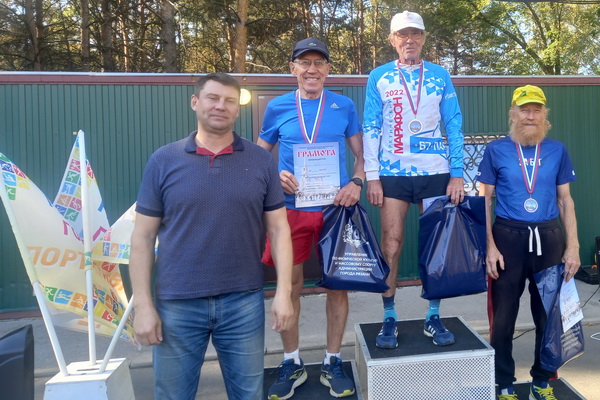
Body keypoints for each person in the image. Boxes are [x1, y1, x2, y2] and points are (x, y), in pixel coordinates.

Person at [129, 73, 294, 400]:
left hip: (243, 301)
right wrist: (143, 307)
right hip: (177, 303)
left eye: (229, 101)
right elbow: (142, 238)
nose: (221, 106)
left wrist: (284, 293)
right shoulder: (164, 160)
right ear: (195, 102)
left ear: (237, 109)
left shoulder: (261, 161)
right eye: (213, 98)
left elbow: (279, 230)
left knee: (248, 395)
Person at [258, 37, 365, 399]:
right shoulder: (276, 107)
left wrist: (356, 182)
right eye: (304, 63)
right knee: (290, 287)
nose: (312, 69)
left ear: (328, 69)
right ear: (293, 69)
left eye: (319, 63)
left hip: (336, 209)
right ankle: (292, 361)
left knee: (338, 285)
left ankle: (333, 360)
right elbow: (259, 157)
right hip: (292, 209)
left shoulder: (344, 105)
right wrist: (275, 175)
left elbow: (362, 157)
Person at [362, 10, 464, 349]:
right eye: (402, 34)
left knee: (436, 246)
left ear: (423, 38)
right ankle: (389, 316)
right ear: (393, 40)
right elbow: (371, 126)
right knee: (391, 244)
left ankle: (433, 315)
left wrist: (457, 173)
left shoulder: (440, 75)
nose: (409, 40)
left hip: (435, 171)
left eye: (415, 34)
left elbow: (454, 124)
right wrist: (372, 177)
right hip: (393, 172)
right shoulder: (379, 76)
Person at [477, 85, 580, 400]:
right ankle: (504, 382)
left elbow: (565, 200)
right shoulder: (496, 150)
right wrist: (489, 246)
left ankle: (542, 380)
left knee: (548, 315)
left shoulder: (557, 150)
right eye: (524, 110)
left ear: (545, 115)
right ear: (513, 114)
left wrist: (573, 246)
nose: (530, 116)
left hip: (548, 238)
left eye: (536, 110)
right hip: (508, 239)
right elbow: (484, 199)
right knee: (503, 316)